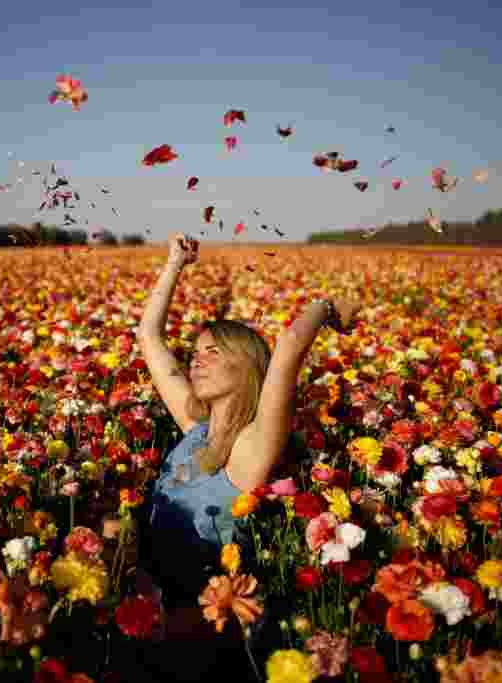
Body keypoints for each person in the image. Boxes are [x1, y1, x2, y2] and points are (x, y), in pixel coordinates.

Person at [118, 233, 359, 681]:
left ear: (246, 366)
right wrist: (175, 263)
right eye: (195, 353)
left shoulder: (250, 450)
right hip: (151, 620)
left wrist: (327, 309)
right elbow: (148, 336)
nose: (197, 361)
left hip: (208, 636)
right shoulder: (196, 429)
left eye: (214, 352)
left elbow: (288, 344)